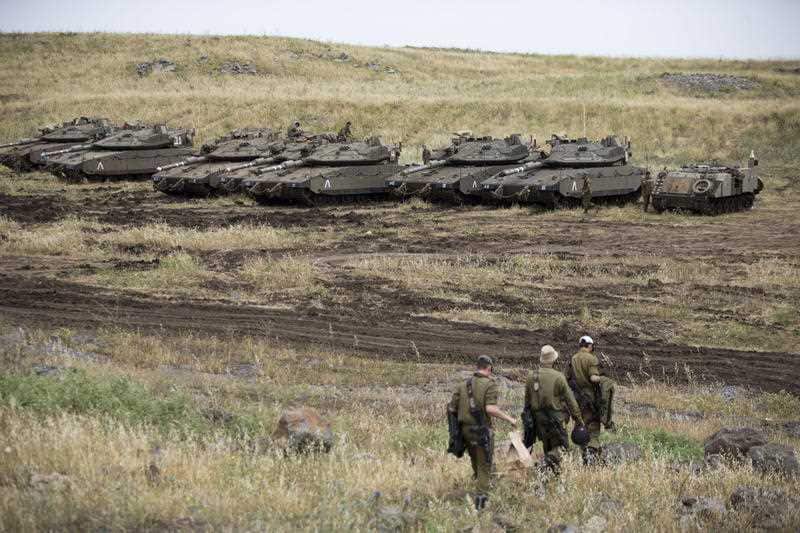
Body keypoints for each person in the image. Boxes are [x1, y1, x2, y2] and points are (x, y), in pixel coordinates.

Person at [448, 355, 517, 511]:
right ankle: (481, 506)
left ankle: (479, 488)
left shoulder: (463, 385)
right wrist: (510, 419)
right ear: (489, 368)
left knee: (476, 463)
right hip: (481, 432)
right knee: (485, 467)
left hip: (464, 432)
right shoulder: (490, 384)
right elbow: (490, 409)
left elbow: (451, 408)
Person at [525, 345, 584, 474]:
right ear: (553, 360)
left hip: (538, 421)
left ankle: (550, 478)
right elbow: (571, 401)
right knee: (562, 449)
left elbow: (527, 404)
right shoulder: (559, 377)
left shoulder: (531, 377)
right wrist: (578, 419)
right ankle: (543, 464)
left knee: (548, 448)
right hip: (556, 420)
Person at [567, 336, 616, 464]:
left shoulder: (573, 359)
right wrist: (605, 379)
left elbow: (566, 378)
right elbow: (593, 378)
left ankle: (585, 455)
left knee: (581, 426)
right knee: (593, 428)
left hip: (576, 400)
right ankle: (591, 458)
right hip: (590, 399)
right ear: (590, 345)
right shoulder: (591, 358)